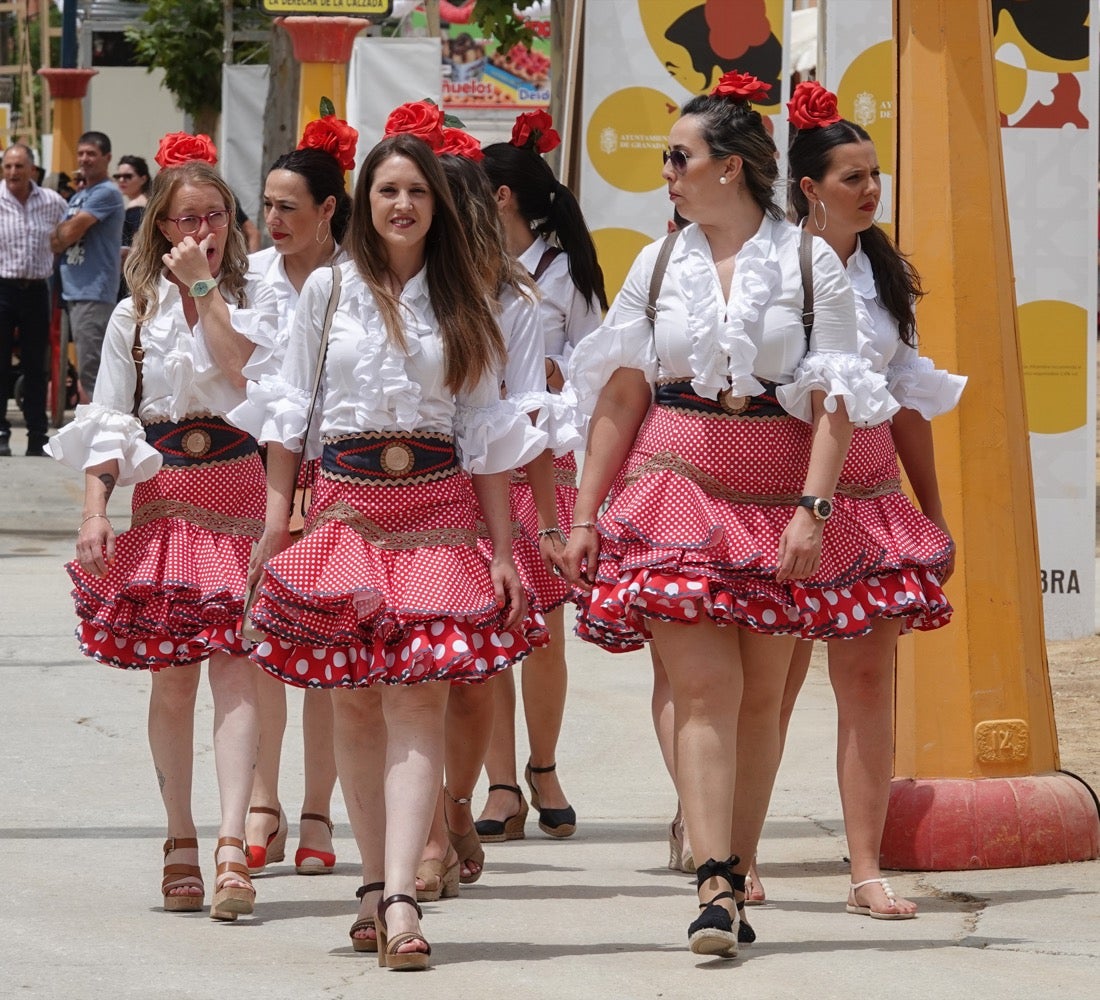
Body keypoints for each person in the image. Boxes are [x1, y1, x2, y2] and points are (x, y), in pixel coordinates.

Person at [560, 70, 900, 958]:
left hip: (777, 496)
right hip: (677, 483)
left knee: (757, 701)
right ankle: (715, 883)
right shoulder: (657, 259)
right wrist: (587, 512)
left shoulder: (806, 259)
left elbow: (837, 397)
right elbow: (623, 393)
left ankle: (736, 863)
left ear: (733, 168)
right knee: (704, 689)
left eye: (679, 157)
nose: (665, 172)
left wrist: (813, 513)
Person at [233, 131, 546, 971]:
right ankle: (374, 882)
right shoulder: (327, 293)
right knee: (355, 702)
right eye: (387, 192)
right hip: (344, 512)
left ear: (438, 207)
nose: (402, 205)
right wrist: (273, 528)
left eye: (416, 192)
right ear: (364, 205)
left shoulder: (464, 298)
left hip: (439, 512)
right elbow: (290, 417)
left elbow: (485, 432)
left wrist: (504, 549)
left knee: (420, 701)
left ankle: (404, 894)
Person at [45, 138, 279, 922]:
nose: (199, 230)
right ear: (161, 229)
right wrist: (93, 510)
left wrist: (206, 290)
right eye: (184, 219)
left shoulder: (258, 297)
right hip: (166, 499)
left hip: (242, 489)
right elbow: (110, 418)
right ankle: (179, 835)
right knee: (173, 677)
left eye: (213, 217)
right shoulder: (131, 314)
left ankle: (231, 844)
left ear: (230, 224)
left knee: (239, 669)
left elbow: (246, 373)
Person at [772, 80, 962, 919]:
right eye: (853, 177)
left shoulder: (886, 275)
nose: (871, 189)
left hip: (876, 498)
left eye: (876, 174)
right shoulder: (768, 268)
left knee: (867, 680)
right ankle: (731, 851)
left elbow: (909, 402)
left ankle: (864, 868)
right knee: (766, 687)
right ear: (809, 188)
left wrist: (933, 508)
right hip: (783, 494)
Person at [406, 122, 573, 895]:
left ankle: (461, 801)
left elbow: (528, 425)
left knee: (475, 678)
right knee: (420, 674)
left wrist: (546, 528)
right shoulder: (386, 291)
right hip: (412, 505)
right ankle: (429, 837)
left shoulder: (517, 304)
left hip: (493, 507)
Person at [474, 109, 608, 843]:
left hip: (543, 463)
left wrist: (556, 378)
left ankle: (544, 765)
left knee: (547, 627)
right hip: (482, 461)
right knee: (495, 618)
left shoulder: (566, 274)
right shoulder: (462, 266)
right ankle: (499, 783)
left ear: (499, 197)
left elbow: (601, 366)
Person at [243, 117, 356, 877]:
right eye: (268, 205)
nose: (275, 220)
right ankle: (260, 801)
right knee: (257, 648)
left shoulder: (355, 280)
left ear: (329, 210)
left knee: (323, 648)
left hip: (338, 480)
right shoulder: (244, 277)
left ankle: (317, 810)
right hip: (251, 472)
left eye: (290, 207)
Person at [0, 143, 67, 457]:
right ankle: (1, 434)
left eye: (19, 166)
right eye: (8, 166)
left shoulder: (52, 202)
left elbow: (65, 237)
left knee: (35, 366)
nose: (13, 172)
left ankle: (37, 435)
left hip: (37, 289)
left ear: (32, 169)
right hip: (3, 290)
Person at [51, 131, 125, 399]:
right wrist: (64, 234)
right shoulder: (80, 196)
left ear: (107, 158)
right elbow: (56, 241)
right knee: (87, 367)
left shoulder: (106, 193)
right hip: (75, 292)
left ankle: (101, 431)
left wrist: (64, 233)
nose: (84, 159)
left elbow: (67, 235)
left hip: (93, 292)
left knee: (93, 371)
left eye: (91, 154)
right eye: (81, 153)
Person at [115, 154, 152, 299]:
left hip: (133, 274)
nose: (122, 180)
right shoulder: (147, 202)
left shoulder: (136, 206)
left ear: (143, 179)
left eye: (128, 176)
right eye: (118, 176)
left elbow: (137, 243)